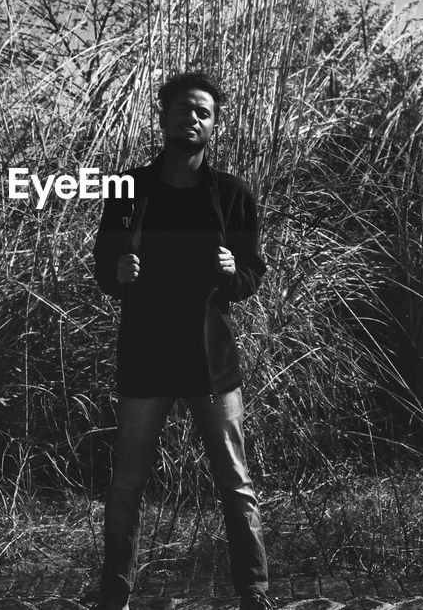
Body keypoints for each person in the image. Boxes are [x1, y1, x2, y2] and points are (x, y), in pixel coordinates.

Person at [91, 72, 273, 610]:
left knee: (235, 483)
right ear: (164, 115)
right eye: (182, 109)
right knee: (126, 488)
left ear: (213, 124)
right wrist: (117, 272)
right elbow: (103, 267)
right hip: (145, 357)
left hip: (209, 362)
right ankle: (114, 597)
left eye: (204, 112)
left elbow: (251, 276)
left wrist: (230, 270)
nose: (192, 118)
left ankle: (255, 594)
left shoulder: (233, 194)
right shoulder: (127, 188)